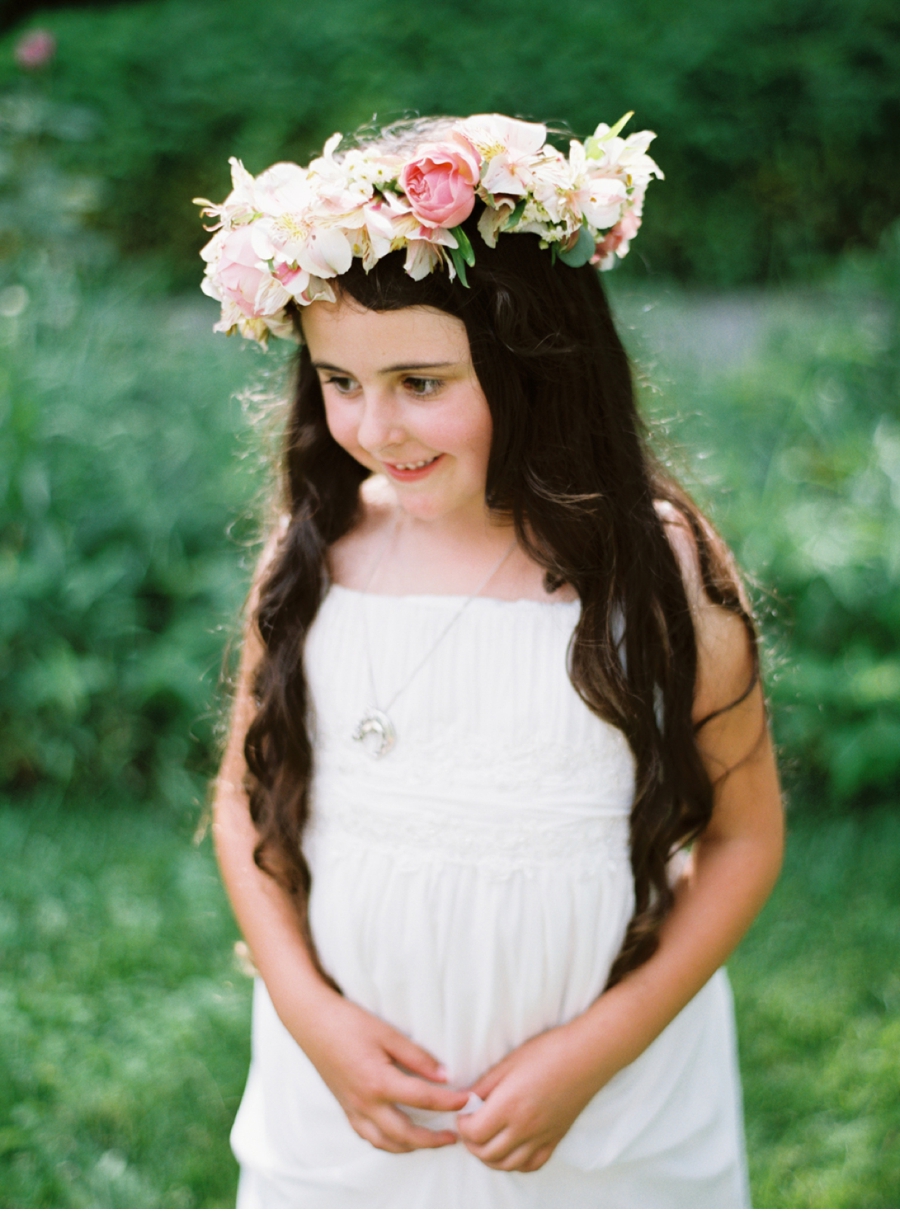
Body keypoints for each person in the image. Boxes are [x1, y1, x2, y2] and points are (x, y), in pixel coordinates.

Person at [200, 113, 784, 1208]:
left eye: (422, 382)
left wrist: (596, 1049)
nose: (374, 426)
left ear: (539, 367)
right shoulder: (314, 557)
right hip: (353, 1112)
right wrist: (312, 1019)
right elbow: (241, 800)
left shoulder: (654, 572)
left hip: (607, 1109)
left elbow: (746, 833)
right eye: (339, 380)